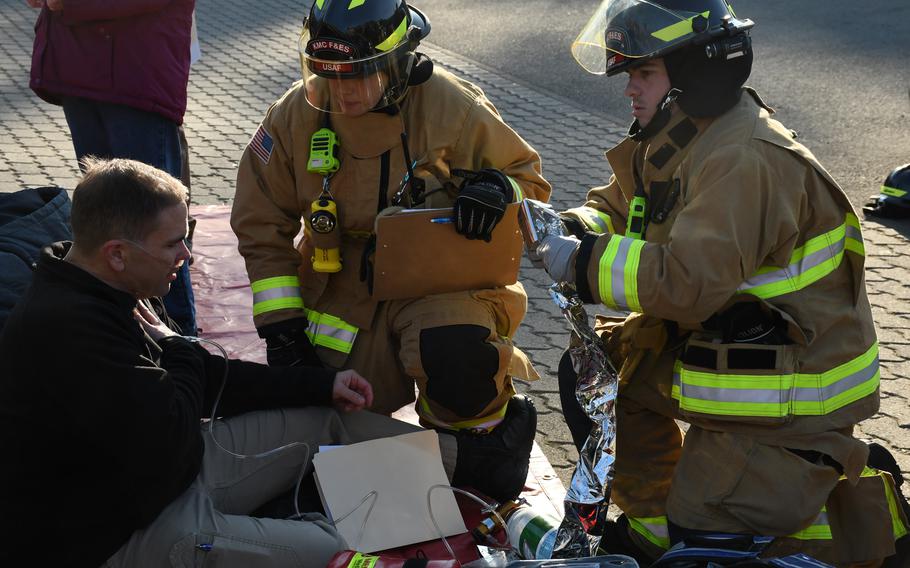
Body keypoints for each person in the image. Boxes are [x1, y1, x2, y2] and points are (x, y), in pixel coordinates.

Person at [0, 158, 534, 567]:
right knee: (336, 546)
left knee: (329, 419)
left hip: (162, 473)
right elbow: (169, 437)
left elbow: (207, 383)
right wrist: (179, 347)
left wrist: (319, 386)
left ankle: (474, 466)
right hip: (122, 530)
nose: (186, 257)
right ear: (117, 253)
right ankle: (298, 516)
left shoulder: (100, 283)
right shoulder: (65, 329)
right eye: (173, 245)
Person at [536, 0, 909, 565]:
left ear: (696, 71)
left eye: (643, 74)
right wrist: (567, 229)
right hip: (733, 354)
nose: (630, 91)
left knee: (705, 540)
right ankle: (655, 531)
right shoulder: (681, 135)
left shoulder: (742, 157)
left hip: (789, 398)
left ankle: (845, 503)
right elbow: (622, 208)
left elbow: (686, 282)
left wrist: (582, 262)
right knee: (595, 375)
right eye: (628, 75)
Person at [231, 0, 550, 493]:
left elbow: (529, 182)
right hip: (339, 286)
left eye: (358, 74)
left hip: (436, 279)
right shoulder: (294, 114)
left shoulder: (450, 105)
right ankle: (425, 467)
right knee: (325, 422)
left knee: (456, 357)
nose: (343, 91)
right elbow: (260, 221)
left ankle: (483, 460)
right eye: (329, 76)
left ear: (399, 62)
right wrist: (283, 330)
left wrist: (496, 190)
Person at [27, 0, 198, 335]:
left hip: (137, 76)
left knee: (156, 225)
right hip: (80, 69)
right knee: (105, 219)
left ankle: (180, 341)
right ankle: (115, 327)